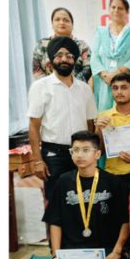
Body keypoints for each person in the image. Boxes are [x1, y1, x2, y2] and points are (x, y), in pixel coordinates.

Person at [40, 131, 130, 259]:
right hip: (72, 253)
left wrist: (117, 251)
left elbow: (125, 221)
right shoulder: (64, 181)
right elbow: (55, 222)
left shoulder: (113, 182)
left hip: (104, 250)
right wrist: (55, 257)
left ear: (97, 154)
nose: (80, 155)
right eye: (75, 150)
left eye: (85, 150)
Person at [28, 36, 97, 203]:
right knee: (55, 204)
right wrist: (37, 159)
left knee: (84, 201)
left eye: (69, 55)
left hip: (82, 153)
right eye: (59, 55)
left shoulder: (84, 89)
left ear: (75, 60)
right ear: (51, 60)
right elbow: (34, 126)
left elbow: (90, 125)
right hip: (54, 155)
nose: (64, 59)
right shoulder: (40, 87)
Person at [95, 73, 130, 227]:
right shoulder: (104, 116)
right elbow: (98, 152)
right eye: (115, 88)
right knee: (114, 217)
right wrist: (99, 130)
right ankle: (120, 248)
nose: (119, 92)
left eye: (124, 88)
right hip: (113, 173)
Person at [91, 0, 130, 111]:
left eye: (120, 8)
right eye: (113, 7)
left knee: (129, 116)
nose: (116, 10)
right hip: (106, 81)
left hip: (127, 81)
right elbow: (94, 56)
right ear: (109, 10)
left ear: (127, 11)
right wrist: (105, 75)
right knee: (106, 118)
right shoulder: (101, 32)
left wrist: (118, 72)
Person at [32, 7, 92, 83]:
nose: (62, 22)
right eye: (57, 19)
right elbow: (36, 69)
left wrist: (71, 83)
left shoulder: (82, 46)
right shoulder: (42, 45)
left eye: (66, 20)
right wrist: (50, 84)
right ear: (52, 24)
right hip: (49, 90)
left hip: (76, 89)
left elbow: (88, 68)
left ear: (72, 25)